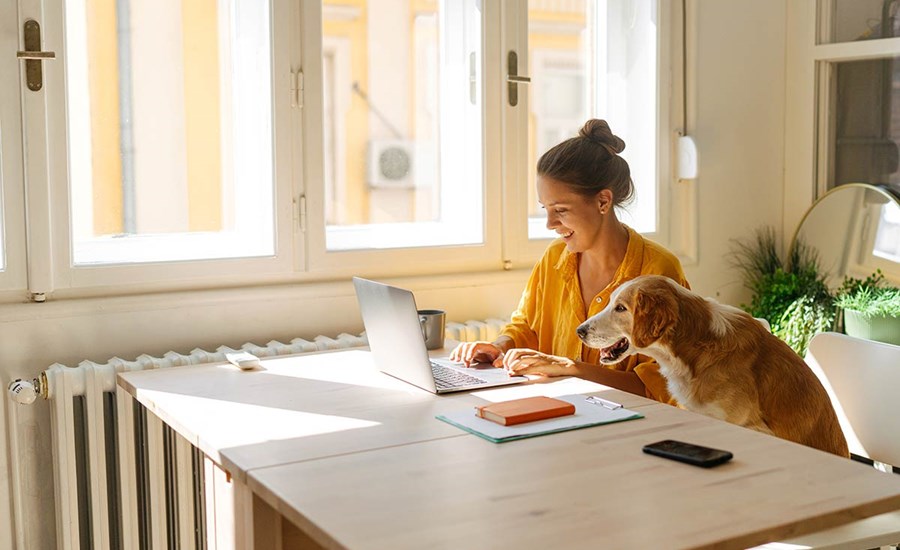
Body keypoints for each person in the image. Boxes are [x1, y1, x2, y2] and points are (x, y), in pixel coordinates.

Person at [450, 119, 689, 404]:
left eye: (560, 210)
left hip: (630, 426)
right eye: (545, 209)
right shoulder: (554, 258)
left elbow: (662, 386)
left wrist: (573, 370)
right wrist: (499, 346)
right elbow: (527, 327)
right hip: (557, 412)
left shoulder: (658, 271)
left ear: (603, 201)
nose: (550, 223)